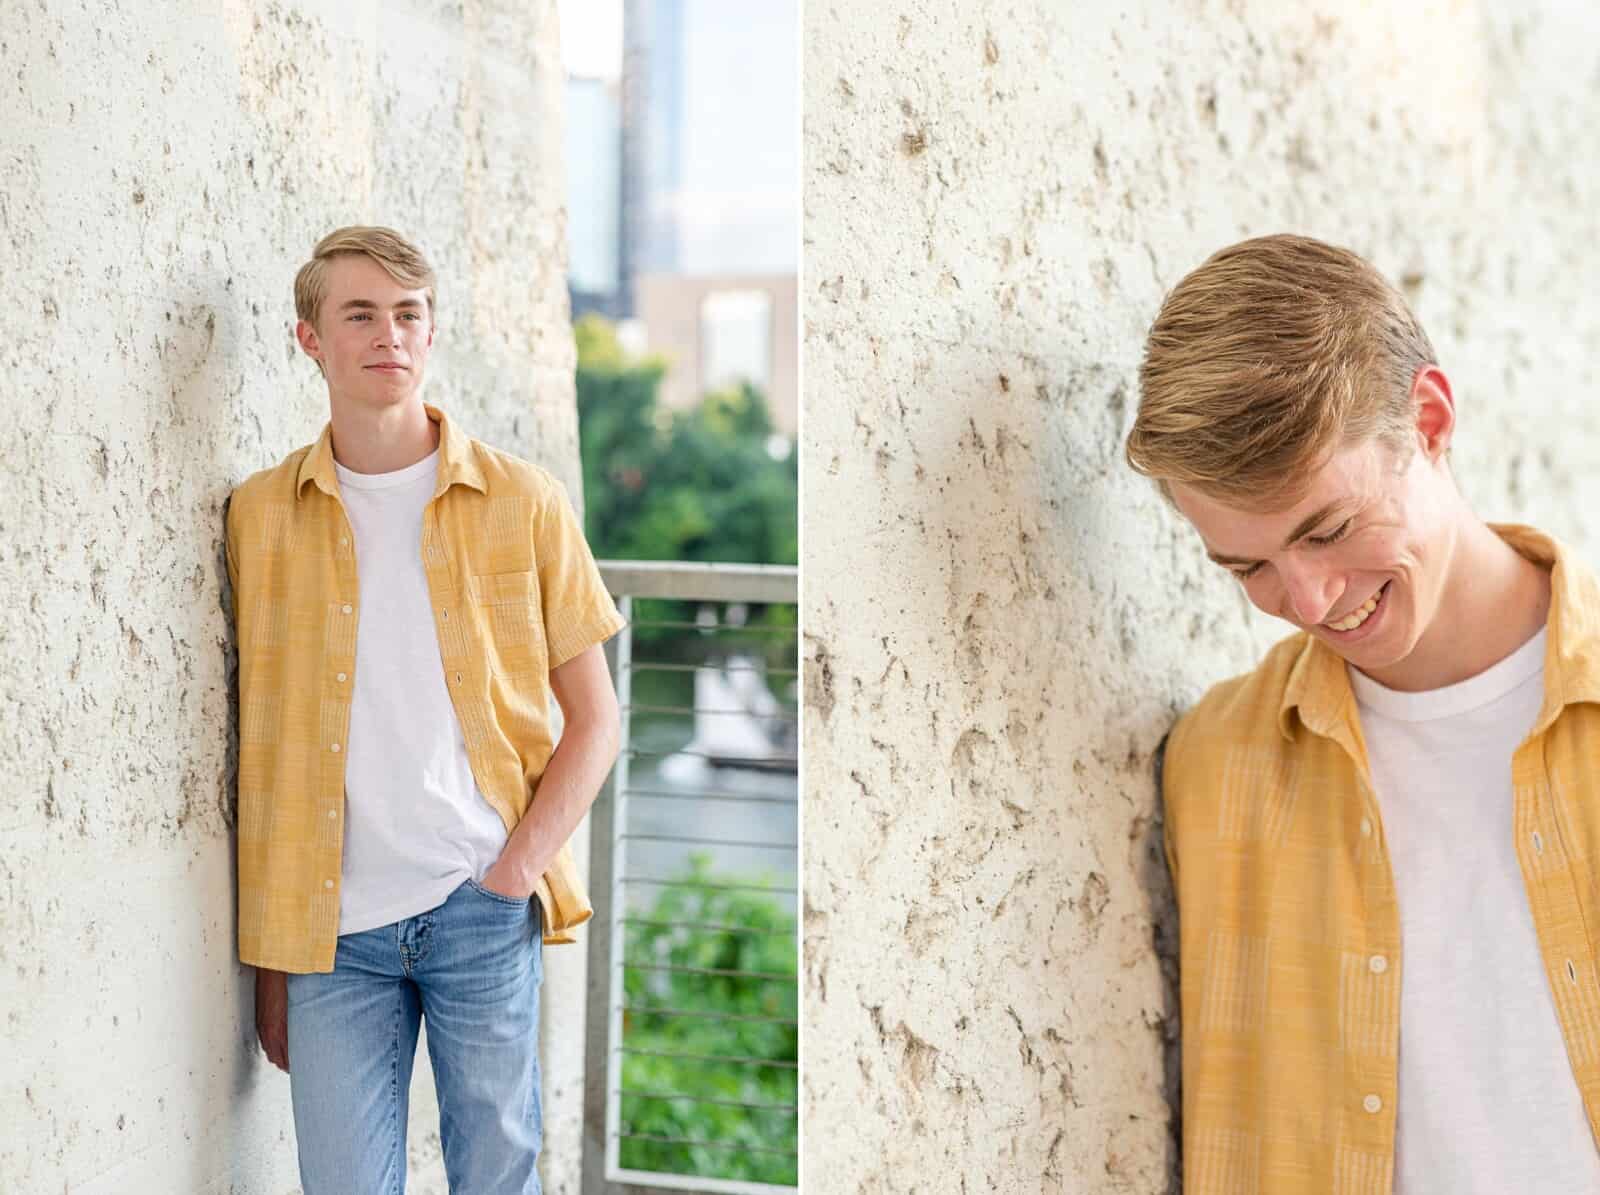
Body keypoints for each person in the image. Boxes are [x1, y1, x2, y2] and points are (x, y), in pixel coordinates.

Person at [1125, 234, 1600, 1193]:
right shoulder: (1215, 766)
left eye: (1329, 529)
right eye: (1247, 567)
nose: (1307, 601)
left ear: (1428, 419)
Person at [224, 225, 625, 1193]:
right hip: (331, 931)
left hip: (477, 904)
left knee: (496, 1175)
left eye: (408, 314)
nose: (388, 334)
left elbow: (596, 720)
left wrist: (514, 868)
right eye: (358, 313)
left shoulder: (522, 501)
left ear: (431, 333)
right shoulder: (260, 514)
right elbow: (267, 746)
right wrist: (272, 959)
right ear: (309, 339)